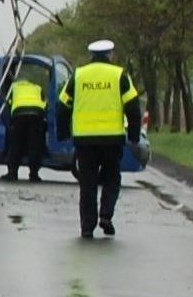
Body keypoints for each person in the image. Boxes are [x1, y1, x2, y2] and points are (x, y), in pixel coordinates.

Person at [57, 39, 141, 238]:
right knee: (112, 178)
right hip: (112, 140)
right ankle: (106, 215)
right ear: (110, 55)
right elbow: (133, 107)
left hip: (85, 141)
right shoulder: (119, 75)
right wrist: (134, 136)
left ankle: (87, 227)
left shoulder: (78, 75)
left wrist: (63, 134)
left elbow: (63, 106)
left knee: (88, 183)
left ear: (91, 55)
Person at [1, 77, 47, 182]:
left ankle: (13, 173)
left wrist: (9, 122)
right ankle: (34, 174)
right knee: (34, 145)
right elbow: (45, 104)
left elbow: (8, 103)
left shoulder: (14, 87)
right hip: (36, 114)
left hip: (19, 114)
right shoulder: (37, 88)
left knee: (16, 144)